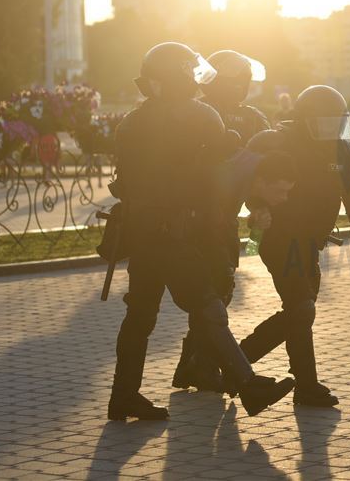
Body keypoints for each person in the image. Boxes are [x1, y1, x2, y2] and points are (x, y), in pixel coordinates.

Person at [107, 42, 295, 421]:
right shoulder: (202, 116)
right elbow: (217, 175)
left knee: (140, 316)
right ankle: (247, 385)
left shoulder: (132, 121)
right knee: (209, 303)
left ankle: (123, 396)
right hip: (177, 233)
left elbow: (129, 180)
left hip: (142, 232)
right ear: (179, 77)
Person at [237, 84, 350, 407]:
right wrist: (258, 215)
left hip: (310, 241)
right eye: (323, 124)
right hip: (278, 239)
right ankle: (239, 361)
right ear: (304, 121)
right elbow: (254, 188)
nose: (330, 132)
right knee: (301, 307)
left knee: (301, 310)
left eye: (335, 124)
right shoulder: (281, 146)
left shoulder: (343, 151)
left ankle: (297, 383)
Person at [171, 49, 271, 391]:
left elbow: (267, 163)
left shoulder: (254, 118)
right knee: (211, 294)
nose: (241, 89)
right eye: (236, 83)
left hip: (229, 219)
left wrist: (261, 205)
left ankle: (193, 363)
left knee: (221, 291)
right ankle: (203, 367)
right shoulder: (195, 114)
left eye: (245, 83)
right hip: (196, 218)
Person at [201, 50, 271, 145]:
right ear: (217, 80)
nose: (243, 84)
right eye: (238, 79)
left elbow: (265, 151)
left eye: (246, 79)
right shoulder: (197, 109)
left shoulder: (254, 116)